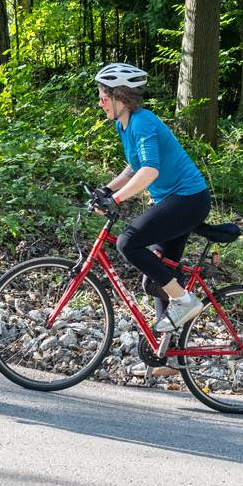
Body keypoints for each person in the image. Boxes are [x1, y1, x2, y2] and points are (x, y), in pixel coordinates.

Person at [90, 62, 214, 337]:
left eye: (103, 98)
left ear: (120, 96)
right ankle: (167, 357)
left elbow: (150, 170)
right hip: (174, 201)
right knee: (156, 277)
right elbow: (134, 167)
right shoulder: (125, 125)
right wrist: (106, 190)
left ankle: (184, 301)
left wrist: (118, 199)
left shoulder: (143, 121)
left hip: (188, 199)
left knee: (127, 242)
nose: (100, 104)